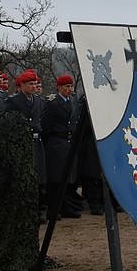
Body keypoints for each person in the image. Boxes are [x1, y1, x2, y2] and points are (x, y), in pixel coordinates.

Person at [5, 70, 47, 219]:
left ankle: (39, 209)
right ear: (21, 85)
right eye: (30, 84)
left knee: (39, 177)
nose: (33, 87)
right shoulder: (13, 102)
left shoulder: (39, 101)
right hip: (22, 141)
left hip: (36, 141)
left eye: (35, 84)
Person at [42, 74, 83, 218]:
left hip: (69, 142)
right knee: (56, 179)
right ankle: (54, 209)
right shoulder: (53, 103)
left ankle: (66, 207)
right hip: (57, 143)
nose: (69, 89)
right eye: (66, 86)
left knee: (68, 179)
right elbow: (46, 127)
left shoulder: (72, 102)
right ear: (59, 87)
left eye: (71, 86)